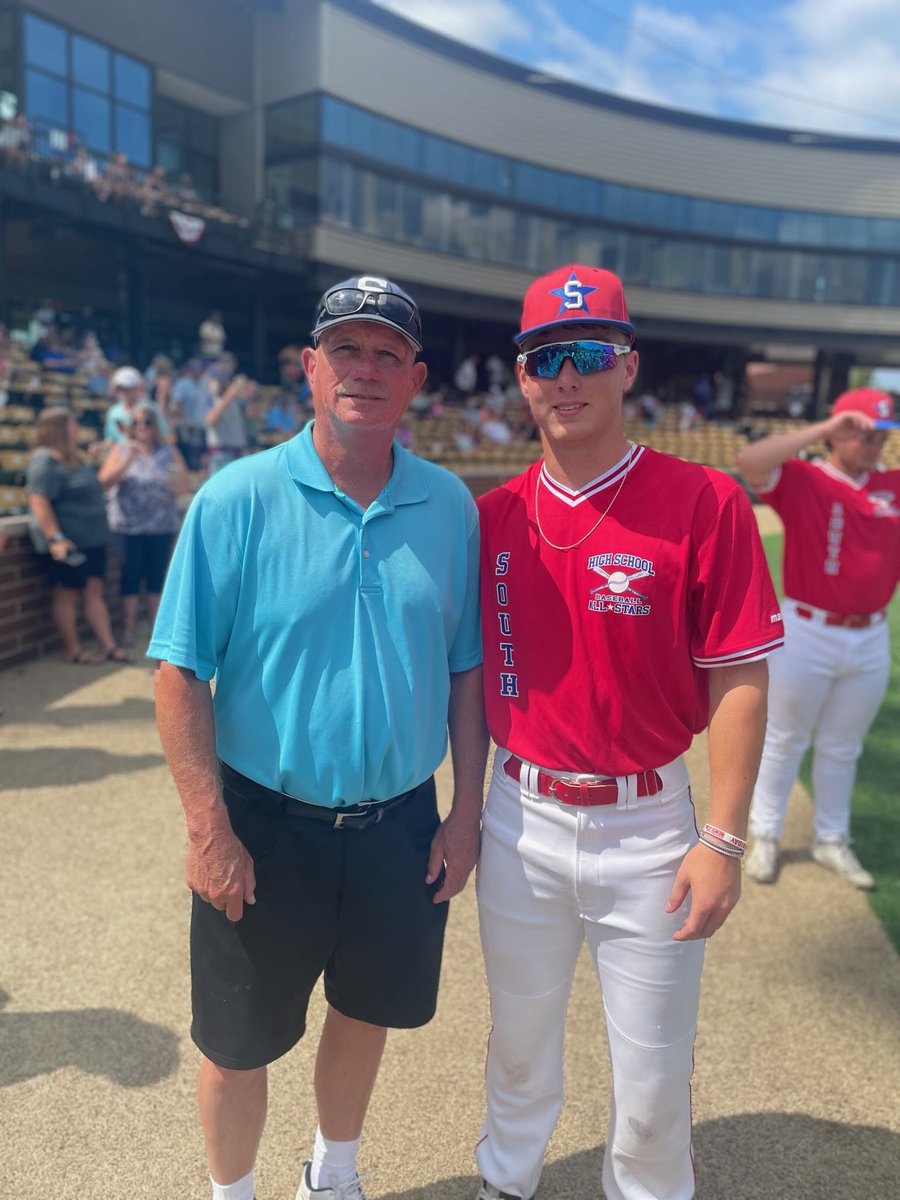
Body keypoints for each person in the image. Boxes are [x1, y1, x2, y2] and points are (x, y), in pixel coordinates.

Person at [149, 273, 485, 1200]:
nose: (365, 369)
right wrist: (208, 829)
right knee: (235, 1039)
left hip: (400, 824)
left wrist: (467, 815)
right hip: (263, 821)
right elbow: (179, 673)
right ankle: (233, 1192)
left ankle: (332, 1174)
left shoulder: (451, 507)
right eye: (347, 349)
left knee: (366, 1009)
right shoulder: (237, 498)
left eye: (387, 354)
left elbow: (466, 671)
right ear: (309, 367)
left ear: (416, 378)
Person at [474, 265, 783, 1200]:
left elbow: (740, 677)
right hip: (518, 819)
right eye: (542, 357)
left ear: (627, 366)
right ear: (522, 376)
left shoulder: (704, 500)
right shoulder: (487, 518)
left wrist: (723, 838)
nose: (564, 376)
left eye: (587, 353)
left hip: (650, 826)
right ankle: (505, 1182)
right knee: (518, 1051)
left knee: (652, 1085)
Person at [736, 388, 900, 890]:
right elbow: (749, 462)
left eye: (881, 434)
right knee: (785, 739)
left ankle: (832, 838)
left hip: (871, 634)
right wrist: (826, 430)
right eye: (861, 431)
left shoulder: (891, 483)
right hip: (808, 629)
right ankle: (764, 834)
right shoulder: (806, 477)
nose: (871, 442)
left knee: (842, 746)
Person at [25, 407, 131, 664]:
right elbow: (39, 500)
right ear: (60, 427)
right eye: (73, 423)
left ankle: (108, 646)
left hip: (92, 539)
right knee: (67, 593)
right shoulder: (44, 459)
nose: (78, 427)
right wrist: (55, 537)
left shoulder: (75, 458)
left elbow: (99, 484)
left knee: (94, 590)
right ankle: (72, 649)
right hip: (68, 542)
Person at [98, 402, 189, 646]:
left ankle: (156, 633)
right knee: (130, 577)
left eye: (147, 422)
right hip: (127, 526)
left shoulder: (169, 452)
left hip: (160, 525)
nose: (141, 427)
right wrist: (128, 460)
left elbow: (183, 486)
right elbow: (104, 481)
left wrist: (170, 480)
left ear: (155, 426)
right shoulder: (120, 449)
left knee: (156, 579)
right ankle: (127, 631)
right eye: (136, 422)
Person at [201, 355, 249, 474]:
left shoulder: (234, 399)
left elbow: (251, 414)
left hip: (238, 453)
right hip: (221, 455)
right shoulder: (209, 399)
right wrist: (232, 392)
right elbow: (210, 419)